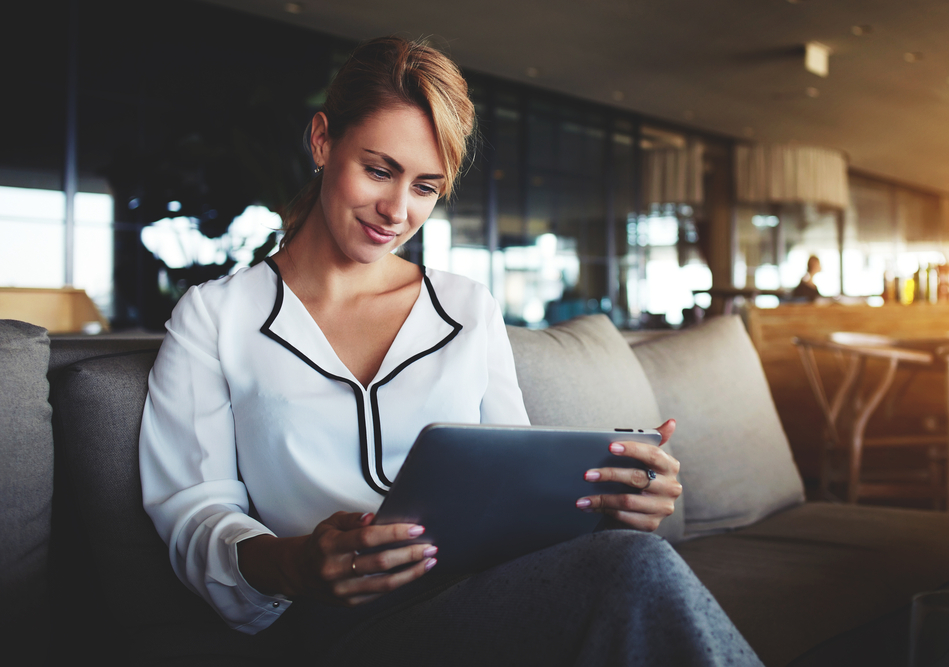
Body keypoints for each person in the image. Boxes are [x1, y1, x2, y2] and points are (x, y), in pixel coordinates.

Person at [139, 36, 764, 666]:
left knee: (633, 560)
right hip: (339, 625)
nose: (396, 210)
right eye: (379, 170)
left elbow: (516, 487)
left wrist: (615, 507)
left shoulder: (467, 307)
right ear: (323, 140)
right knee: (634, 573)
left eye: (426, 187)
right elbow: (193, 511)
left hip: (483, 596)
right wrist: (296, 563)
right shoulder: (216, 315)